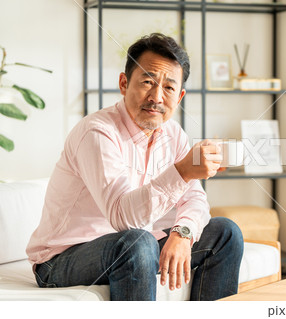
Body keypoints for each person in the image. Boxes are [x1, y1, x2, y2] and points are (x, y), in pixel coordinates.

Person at [26, 33, 244, 301]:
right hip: (62, 259)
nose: (156, 97)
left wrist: (182, 233)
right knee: (138, 242)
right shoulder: (97, 132)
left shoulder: (172, 133)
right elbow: (123, 218)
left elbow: (194, 198)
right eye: (147, 82)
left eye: (168, 88)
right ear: (124, 83)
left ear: (180, 96)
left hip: (132, 247)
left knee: (225, 232)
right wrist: (184, 171)